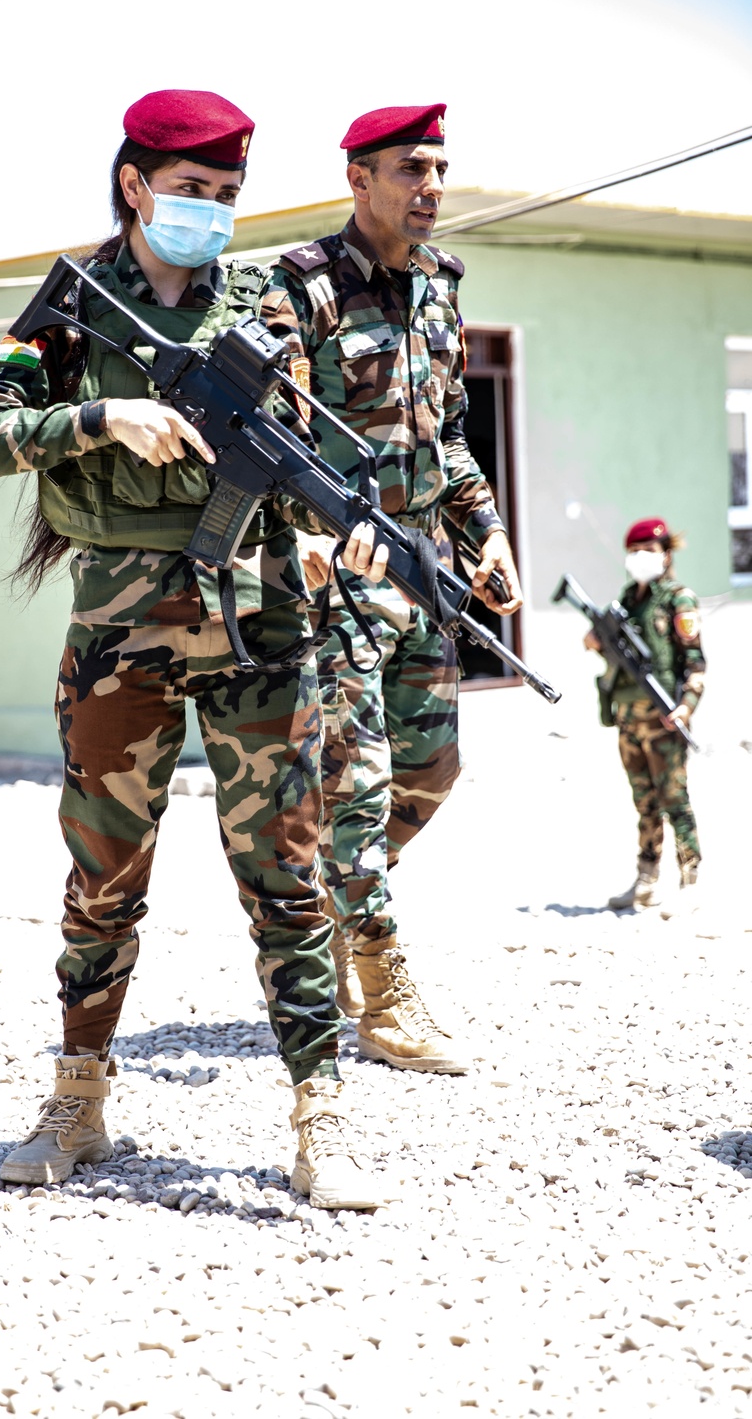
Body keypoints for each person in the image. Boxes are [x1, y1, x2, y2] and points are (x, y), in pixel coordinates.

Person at [0, 90, 384, 1209]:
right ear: (136, 184)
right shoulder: (69, 310)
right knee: (103, 880)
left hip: (261, 625)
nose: (211, 214)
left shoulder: (267, 308)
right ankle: (78, 1098)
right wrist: (99, 421)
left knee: (288, 877)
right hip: (117, 633)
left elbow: (313, 462)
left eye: (228, 197)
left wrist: (356, 541)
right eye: (191, 193)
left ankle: (318, 1112)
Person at [263, 102, 523, 1071]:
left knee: (432, 770)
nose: (431, 189)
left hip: (420, 573)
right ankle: (379, 992)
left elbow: (444, 436)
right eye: (411, 168)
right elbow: (271, 443)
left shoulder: (438, 292)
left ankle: (332, 907)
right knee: (359, 787)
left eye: (439, 170)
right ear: (357, 180)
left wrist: (487, 536)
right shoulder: (304, 293)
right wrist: (309, 539)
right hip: (336, 577)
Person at [584, 518, 705, 917]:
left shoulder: (678, 600)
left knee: (675, 800)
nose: (640, 559)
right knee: (644, 802)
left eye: (648, 552)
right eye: (634, 551)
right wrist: (597, 642)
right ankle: (647, 880)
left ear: (665, 555)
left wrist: (686, 706)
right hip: (628, 720)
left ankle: (691, 881)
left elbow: (695, 662)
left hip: (664, 720)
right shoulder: (627, 602)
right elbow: (621, 660)